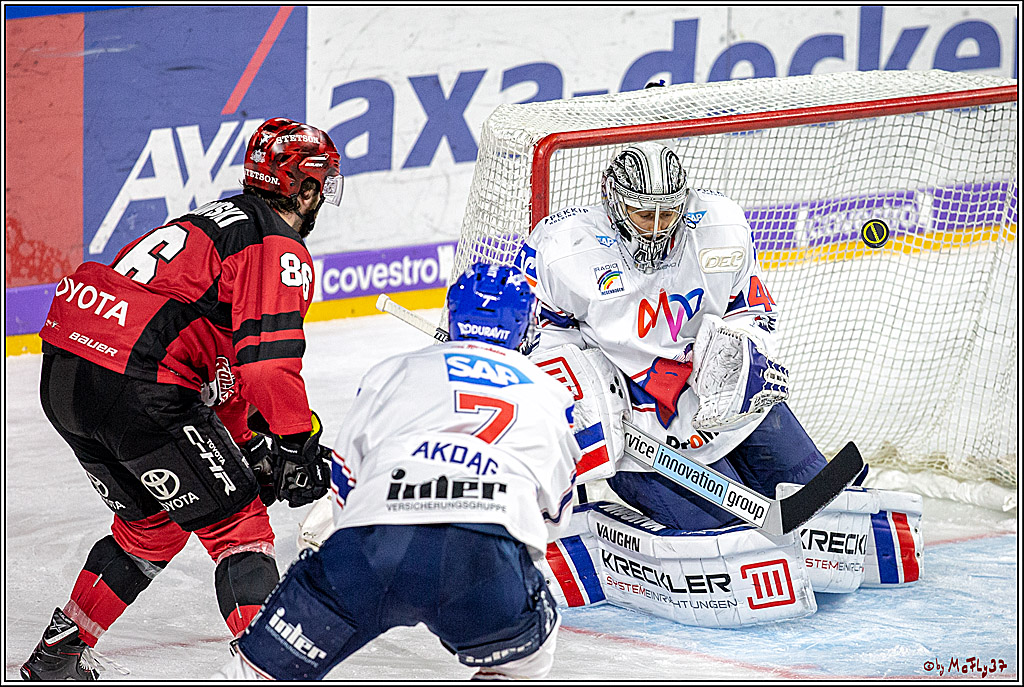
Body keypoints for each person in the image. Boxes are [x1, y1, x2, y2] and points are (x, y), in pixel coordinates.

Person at [21, 117, 343, 681]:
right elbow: (265, 367)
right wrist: (297, 441)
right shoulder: (275, 244)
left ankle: (58, 656)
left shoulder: (209, 222)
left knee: (154, 526)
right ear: (307, 188)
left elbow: (214, 361)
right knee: (239, 527)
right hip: (138, 380)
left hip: (67, 375)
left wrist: (246, 442)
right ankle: (267, 670)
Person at [213, 263, 581, 681]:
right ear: (524, 326)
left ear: (454, 315)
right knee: (529, 650)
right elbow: (552, 513)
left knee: (253, 673)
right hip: (483, 563)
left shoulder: (394, 370)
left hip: (373, 546)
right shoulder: (551, 394)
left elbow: (347, 478)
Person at [517, 140, 828, 532]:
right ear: (615, 204)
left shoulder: (721, 226)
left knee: (822, 504)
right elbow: (540, 341)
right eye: (645, 215)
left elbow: (752, 307)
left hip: (721, 403)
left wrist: (741, 357)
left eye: (670, 214)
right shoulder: (563, 249)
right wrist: (580, 397)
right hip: (635, 426)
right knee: (730, 537)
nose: (659, 228)